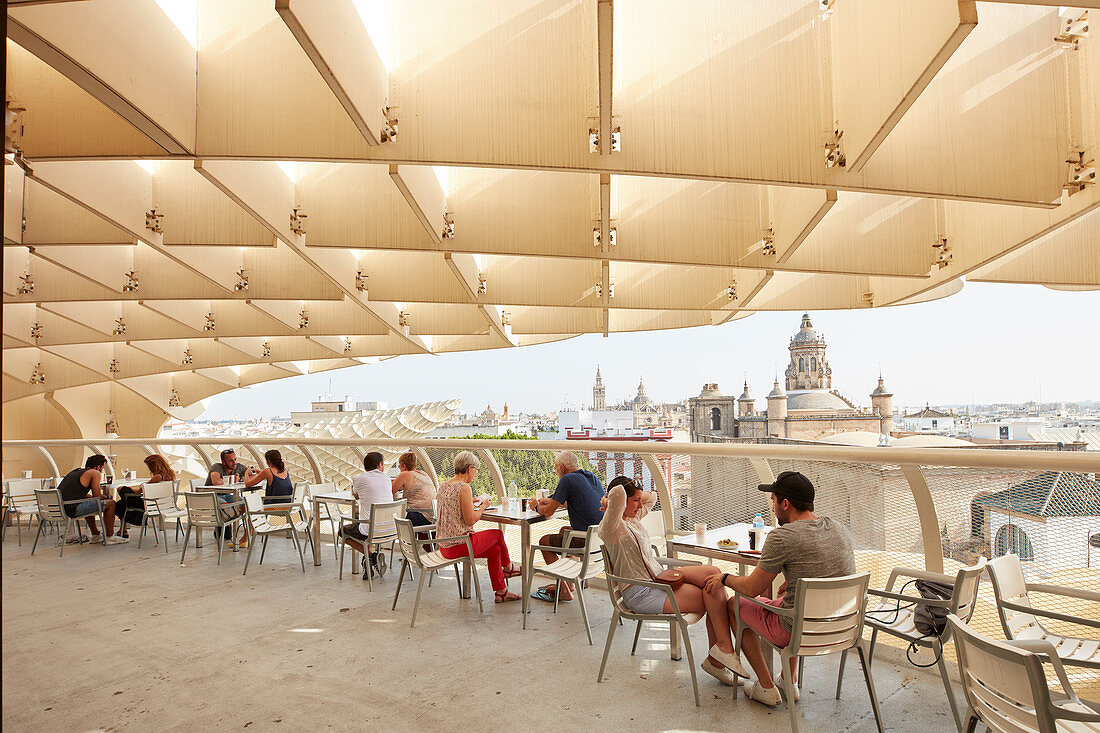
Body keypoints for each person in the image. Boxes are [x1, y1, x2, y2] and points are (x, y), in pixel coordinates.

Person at [705, 471, 856, 707]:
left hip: (799, 631)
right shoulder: (839, 528)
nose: (772, 507)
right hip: (842, 627)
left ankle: (766, 687)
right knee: (787, 596)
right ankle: (789, 681)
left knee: (734, 604)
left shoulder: (782, 537)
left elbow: (751, 588)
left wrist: (725, 578)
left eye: (773, 501)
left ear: (785, 504)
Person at [598, 476, 747, 686]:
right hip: (641, 593)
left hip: (660, 581)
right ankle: (719, 657)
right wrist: (608, 500)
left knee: (713, 575)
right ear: (620, 503)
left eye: (639, 500)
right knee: (714, 594)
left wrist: (636, 497)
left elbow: (653, 498)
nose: (640, 505)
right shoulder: (610, 528)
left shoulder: (633, 518)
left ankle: (721, 653)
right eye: (635, 501)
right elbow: (619, 494)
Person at [435, 451, 522, 603]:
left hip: (444, 546)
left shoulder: (444, 486)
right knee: (497, 535)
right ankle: (508, 568)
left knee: (495, 550)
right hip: (460, 544)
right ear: (469, 468)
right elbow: (470, 521)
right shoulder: (464, 488)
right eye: (476, 470)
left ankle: (501, 592)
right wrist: (483, 506)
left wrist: (471, 501)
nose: (475, 474)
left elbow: (454, 507)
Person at [528, 450, 604, 603]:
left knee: (544, 542)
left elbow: (548, 512)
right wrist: (552, 500)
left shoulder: (567, 479)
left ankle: (563, 590)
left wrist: (536, 506)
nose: (556, 473)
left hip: (584, 540)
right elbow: (574, 499)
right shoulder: (591, 476)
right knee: (564, 531)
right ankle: (568, 583)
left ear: (562, 468)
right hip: (599, 539)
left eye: (556, 469)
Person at [345, 452, 396, 577]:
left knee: (343, 531)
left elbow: (356, 495)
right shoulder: (387, 479)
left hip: (370, 530)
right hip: (390, 529)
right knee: (368, 523)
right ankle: (368, 562)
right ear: (380, 465)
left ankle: (372, 556)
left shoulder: (358, 478)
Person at [56, 454, 127, 544]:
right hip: (71, 510)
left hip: (60, 509)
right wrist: (108, 497)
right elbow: (98, 496)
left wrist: (96, 498)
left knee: (90, 501)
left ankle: (96, 535)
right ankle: (110, 537)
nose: (101, 472)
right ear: (98, 467)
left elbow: (80, 495)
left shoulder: (76, 472)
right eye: (102, 469)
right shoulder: (94, 473)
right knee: (111, 503)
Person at [115, 454, 176, 539]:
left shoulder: (158, 477)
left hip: (150, 505)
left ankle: (123, 530)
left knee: (121, 495)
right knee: (122, 503)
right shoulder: (170, 476)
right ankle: (123, 530)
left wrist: (127, 489)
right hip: (161, 505)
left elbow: (141, 492)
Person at [206, 449, 247, 544]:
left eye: (235, 459)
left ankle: (224, 522)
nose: (234, 462)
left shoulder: (238, 467)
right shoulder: (217, 467)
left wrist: (240, 478)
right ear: (223, 462)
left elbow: (252, 475)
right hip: (213, 496)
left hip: (227, 495)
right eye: (231, 461)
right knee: (226, 506)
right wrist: (233, 479)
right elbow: (216, 481)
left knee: (244, 504)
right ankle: (226, 525)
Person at [390, 451, 435, 527]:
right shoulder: (423, 474)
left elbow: (389, 491)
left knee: (391, 514)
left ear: (403, 466)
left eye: (399, 466)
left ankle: (387, 536)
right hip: (433, 516)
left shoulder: (404, 474)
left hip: (422, 516)